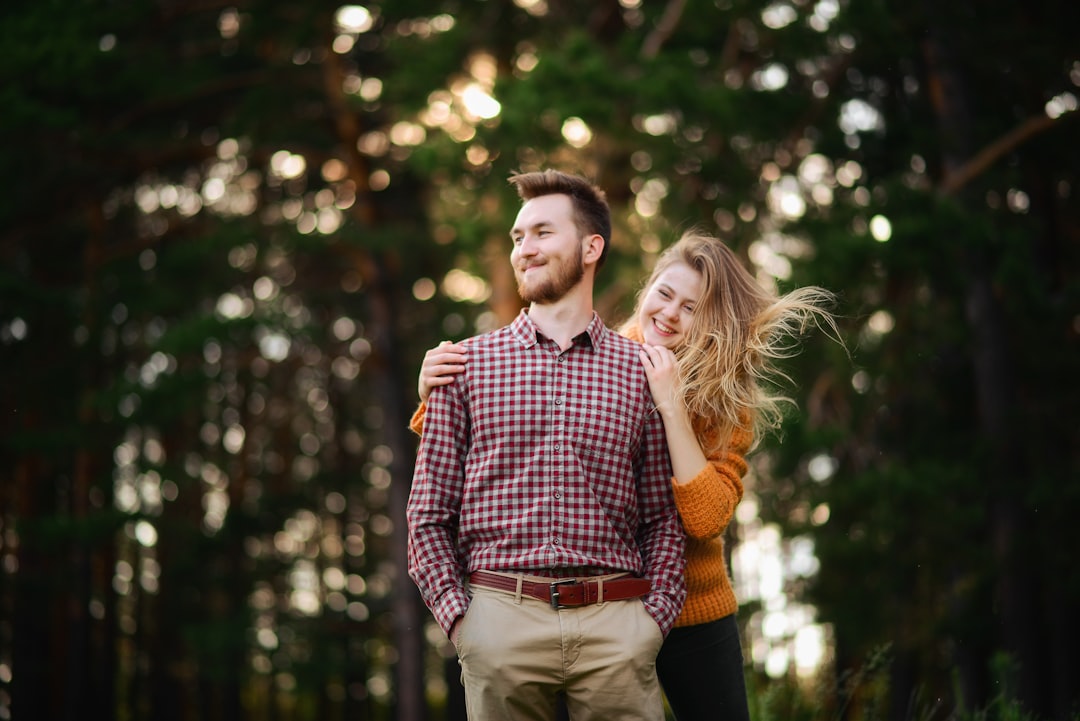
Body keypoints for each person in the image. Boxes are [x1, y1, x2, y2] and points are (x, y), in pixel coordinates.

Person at [416, 229, 840, 721]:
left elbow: (705, 519)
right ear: (648, 289)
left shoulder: (728, 403)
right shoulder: (607, 357)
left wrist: (671, 404)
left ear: (714, 323)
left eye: (691, 308)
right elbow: (505, 431)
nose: (669, 313)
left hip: (690, 608)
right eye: (664, 294)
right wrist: (432, 392)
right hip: (601, 605)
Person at [406, 169, 687, 721]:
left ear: (591, 247)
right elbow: (427, 514)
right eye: (517, 238)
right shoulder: (462, 365)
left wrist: (651, 621)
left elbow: (663, 516)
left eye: (541, 233)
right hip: (499, 622)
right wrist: (464, 623)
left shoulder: (642, 373)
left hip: (617, 625)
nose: (524, 250)